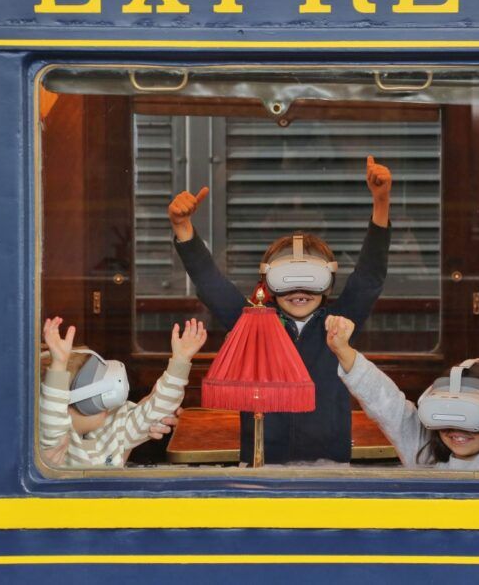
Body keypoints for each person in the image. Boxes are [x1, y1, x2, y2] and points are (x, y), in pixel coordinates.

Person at [168, 156, 392, 464]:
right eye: (286, 280)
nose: (299, 292)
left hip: (328, 466)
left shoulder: (339, 326)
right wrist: (183, 228)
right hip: (262, 462)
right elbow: (212, 285)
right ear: (268, 282)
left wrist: (381, 204)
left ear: (328, 283)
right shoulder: (251, 323)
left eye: (311, 280)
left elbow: (369, 278)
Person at [326, 316, 479, 470]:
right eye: (444, 413)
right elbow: (385, 401)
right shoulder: (423, 454)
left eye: (470, 415)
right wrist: (342, 349)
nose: (456, 428)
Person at [39, 316, 206, 468]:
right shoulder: (54, 444)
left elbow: (157, 411)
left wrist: (181, 360)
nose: (106, 403)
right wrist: (58, 366)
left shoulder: (113, 426)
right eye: (97, 400)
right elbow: (52, 414)